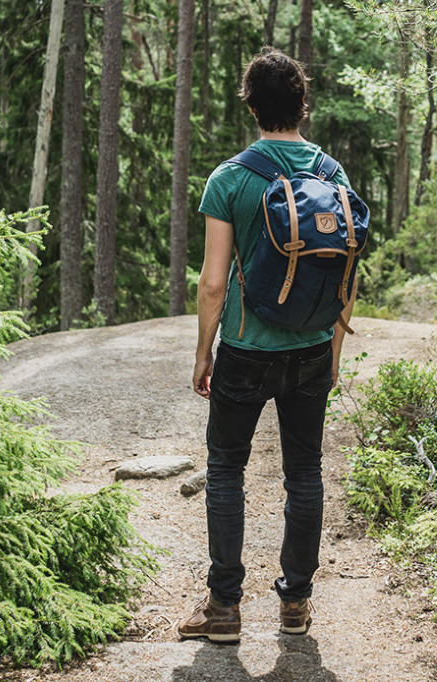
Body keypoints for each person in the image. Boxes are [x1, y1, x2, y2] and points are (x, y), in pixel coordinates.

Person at [178, 47, 356, 643]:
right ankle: (296, 604)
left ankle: (224, 607)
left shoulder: (230, 178)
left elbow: (212, 281)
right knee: (304, 472)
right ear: (302, 105)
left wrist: (205, 351)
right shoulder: (333, 176)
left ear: (251, 106)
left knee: (227, 467)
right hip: (310, 348)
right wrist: (333, 353)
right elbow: (346, 277)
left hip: (247, 349)